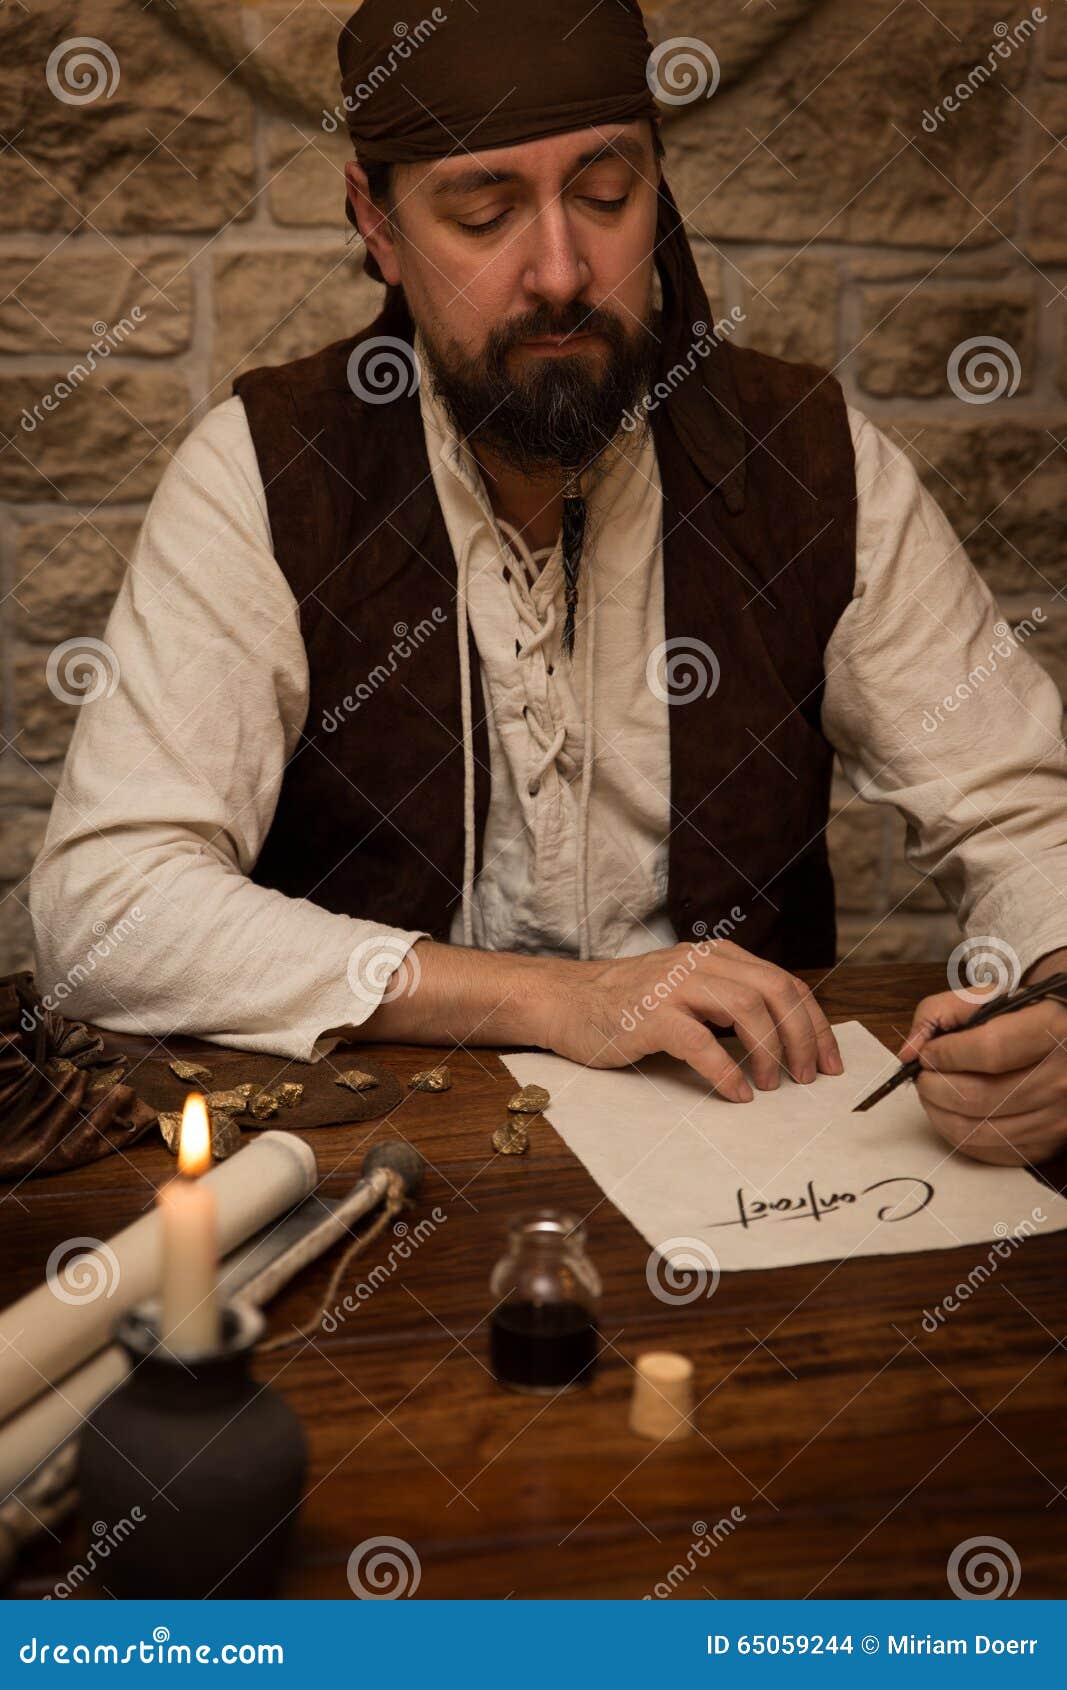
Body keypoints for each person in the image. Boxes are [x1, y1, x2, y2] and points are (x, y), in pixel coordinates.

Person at [29, 0, 1067, 1166]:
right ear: (377, 223)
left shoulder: (811, 462)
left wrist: (1056, 999)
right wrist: (553, 998)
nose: (561, 273)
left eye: (607, 195)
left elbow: (1022, 817)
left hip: (755, 1158)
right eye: (482, 215)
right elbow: (105, 909)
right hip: (376, 1168)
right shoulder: (267, 475)